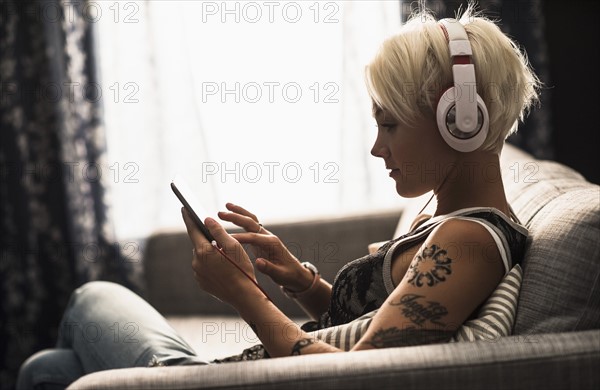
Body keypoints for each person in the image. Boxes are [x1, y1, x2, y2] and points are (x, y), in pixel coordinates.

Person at [17, 3, 540, 388]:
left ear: (460, 121)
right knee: (46, 372)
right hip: (253, 369)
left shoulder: (469, 239)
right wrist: (300, 279)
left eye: (390, 124)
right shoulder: (451, 218)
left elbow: (365, 376)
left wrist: (242, 293)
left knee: (91, 298)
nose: (377, 147)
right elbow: (371, 326)